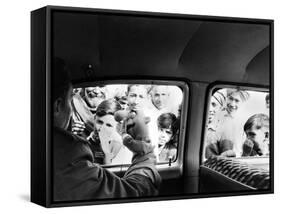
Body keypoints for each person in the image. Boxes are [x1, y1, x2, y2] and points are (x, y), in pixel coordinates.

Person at [52, 58, 161, 201]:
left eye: (108, 125)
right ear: (57, 106)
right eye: (70, 99)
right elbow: (134, 196)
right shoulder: (68, 155)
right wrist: (143, 151)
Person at [87, 98, 132, 165]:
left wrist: (107, 153)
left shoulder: (120, 146)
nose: (101, 129)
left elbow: (112, 174)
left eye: (109, 125)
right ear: (94, 118)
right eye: (99, 122)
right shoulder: (84, 142)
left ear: (117, 126)